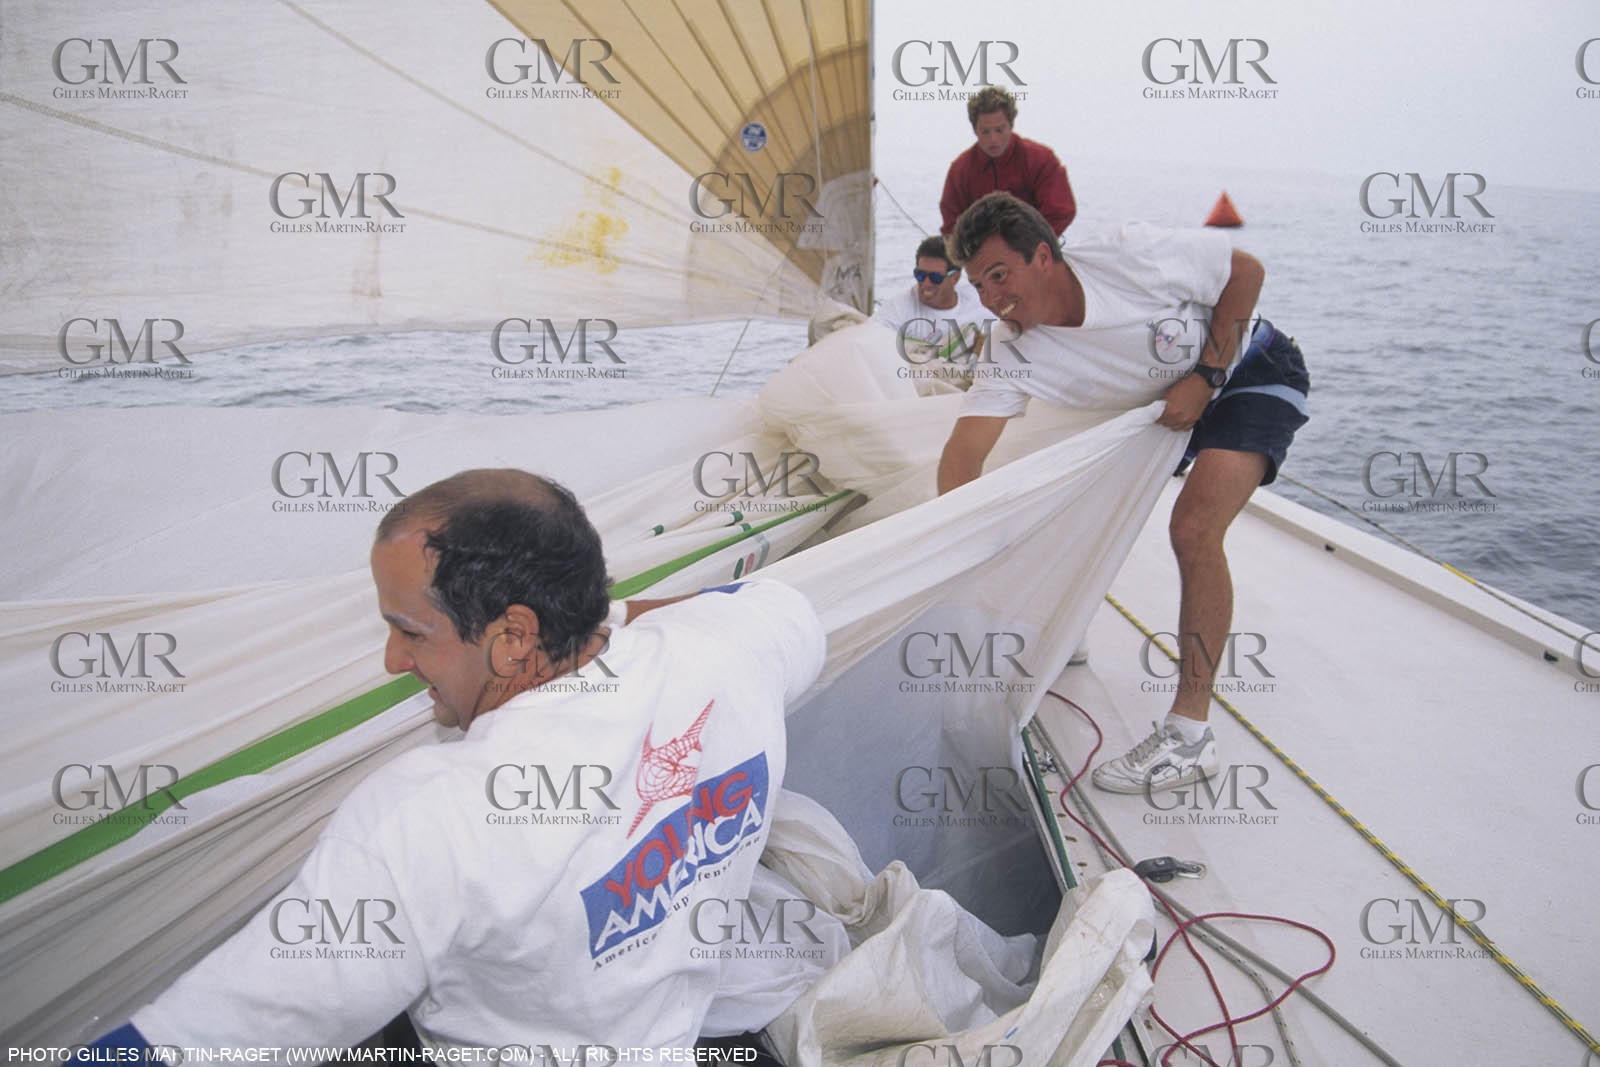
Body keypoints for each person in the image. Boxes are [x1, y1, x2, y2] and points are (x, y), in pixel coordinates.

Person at [86, 468, 826, 1056]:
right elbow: (766, 601)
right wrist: (605, 618)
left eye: (410, 632)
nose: (391, 661)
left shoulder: (430, 815)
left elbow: (191, 1042)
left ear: (512, 638)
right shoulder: (737, 650)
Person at [935, 193, 1309, 795]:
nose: (990, 297)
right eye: (977, 284)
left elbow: (1246, 271)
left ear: (1044, 256)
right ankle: (1065, 623)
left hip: (1250, 368)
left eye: (999, 275)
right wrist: (954, 545)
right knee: (1058, 500)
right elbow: (964, 453)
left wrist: (1207, 375)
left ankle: (1190, 737)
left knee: (1193, 528)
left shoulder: (1126, 255)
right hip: (1161, 412)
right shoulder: (1010, 346)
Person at [939, 87, 1076, 238]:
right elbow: (952, 226)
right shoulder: (960, 170)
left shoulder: (1040, 160)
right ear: (975, 130)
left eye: (999, 130)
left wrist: (1027, 246)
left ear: (1011, 125)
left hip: (1034, 250)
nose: (993, 140)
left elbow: (1060, 211)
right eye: (985, 131)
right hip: (981, 256)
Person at [872, 235, 989, 365]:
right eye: (920, 275)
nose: (925, 284)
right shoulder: (897, 310)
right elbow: (871, 341)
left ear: (955, 278)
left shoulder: (981, 306)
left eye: (935, 277)